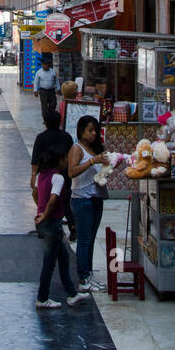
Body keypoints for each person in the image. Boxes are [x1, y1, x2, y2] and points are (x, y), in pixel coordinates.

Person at [33, 143, 85, 310]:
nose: (67, 161)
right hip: (51, 224)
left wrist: (40, 209)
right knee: (49, 262)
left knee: (63, 257)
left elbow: (35, 192)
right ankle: (42, 298)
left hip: (47, 223)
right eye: (65, 158)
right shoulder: (58, 178)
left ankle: (71, 294)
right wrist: (46, 214)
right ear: (60, 161)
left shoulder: (42, 176)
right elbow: (54, 198)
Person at [67, 116, 106, 293]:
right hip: (82, 200)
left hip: (96, 197)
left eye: (95, 130)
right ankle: (83, 277)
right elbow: (71, 172)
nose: (93, 134)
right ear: (81, 131)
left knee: (90, 239)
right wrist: (91, 161)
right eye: (90, 130)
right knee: (84, 240)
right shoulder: (77, 149)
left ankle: (88, 274)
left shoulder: (94, 148)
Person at [30, 108, 77, 243]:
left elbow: (35, 159)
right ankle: (72, 225)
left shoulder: (41, 137)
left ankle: (45, 220)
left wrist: (33, 175)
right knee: (65, 200)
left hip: (46, 174)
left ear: (45, 123)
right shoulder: (66, 136)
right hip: (65, 173)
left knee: (45, 198)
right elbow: (71, 155)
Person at [33, 53, 59, 120]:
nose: (45, 66)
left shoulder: (53, 72)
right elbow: (36, 82)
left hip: (51, 91)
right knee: (44, 105)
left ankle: (50, 116)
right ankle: (45, 118)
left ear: (49, 64)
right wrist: (35, 90)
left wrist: (58, 88)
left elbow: (56, 80)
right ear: (42, 64)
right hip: (43, 91)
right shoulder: (39, 72)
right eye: (44, 64)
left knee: (53, 104)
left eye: (47, 64)